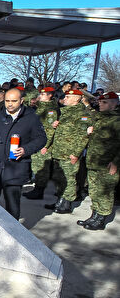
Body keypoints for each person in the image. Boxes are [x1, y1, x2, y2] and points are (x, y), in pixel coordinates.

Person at [0, 88, 47, 220]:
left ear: (21, 101)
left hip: (15, 169)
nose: (10, 104)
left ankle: (12, 234)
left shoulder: (31, 117)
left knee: (12, 206)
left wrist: (26, 149)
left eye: (14, 101)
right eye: (7, 101)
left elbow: (41, 139)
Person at [44, 88, 94, 214]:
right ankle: (60, 200)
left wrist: (76, 153)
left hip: (69, 153)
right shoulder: (65, 112)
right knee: (59, 177)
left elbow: (83, 136)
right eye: (65, 97)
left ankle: (66, 203)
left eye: (67, 97)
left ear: (76, 99)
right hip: (59, 151)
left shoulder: (82, 115)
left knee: (68, 178)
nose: (64, 99)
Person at [78, 92, 119, 230]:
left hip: (107, 164)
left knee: (104, 192)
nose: (100, 104)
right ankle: (94, 215)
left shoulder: (117, 121)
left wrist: (116, 163)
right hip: (94, 161)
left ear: (114, 104)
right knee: (94, 191)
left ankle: (101, 218)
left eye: (104, 102)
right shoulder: (100, 118)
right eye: (100, 102)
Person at [24, 87, 59, 200]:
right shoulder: (40, 107)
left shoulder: (50, 110)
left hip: (42, 143)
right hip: (36, 141)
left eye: (43, 94)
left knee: (42, 167)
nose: (40, 96)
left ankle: (39, 190)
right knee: (36, 166)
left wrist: (45, 145)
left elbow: (49, 130)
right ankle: (37, 189)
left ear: (50, 96)